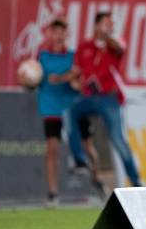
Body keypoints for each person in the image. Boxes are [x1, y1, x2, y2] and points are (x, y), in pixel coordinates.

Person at [23, 19, 100, 206]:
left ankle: (96, 183)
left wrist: (70, 81)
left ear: (67, 34)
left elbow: (79, 83)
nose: (58, 35)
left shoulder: (74, 57)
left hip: (73, 109)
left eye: (61, 31)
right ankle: (52, 193)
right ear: (49, 34)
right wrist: (25, 80)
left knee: (88, 147)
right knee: (52, 150)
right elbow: (31, 84)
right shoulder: (41, 58)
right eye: (54, 31)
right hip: (51, 110)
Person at [66, 12, 142, 188]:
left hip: (109, 99)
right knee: (70, 111)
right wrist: (70, 81)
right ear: (96, 25)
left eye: (111, 24)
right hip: (89, 97)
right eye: (106, 23)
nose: (110, 27)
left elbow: (119, 48)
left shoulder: (115, 42)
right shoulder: (84, 46)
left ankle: (136, 181)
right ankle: (79, 159)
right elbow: (76, 73)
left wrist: (108, 36)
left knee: (117, 139)